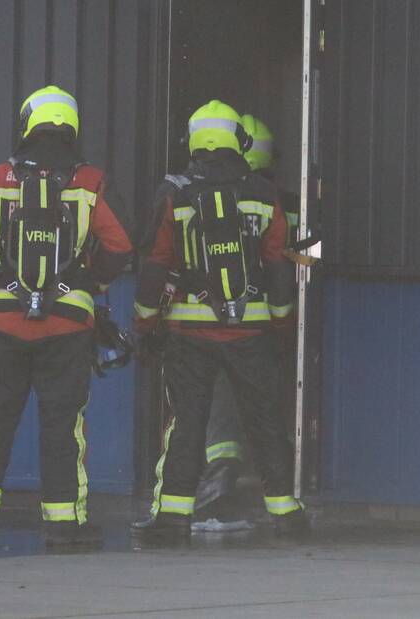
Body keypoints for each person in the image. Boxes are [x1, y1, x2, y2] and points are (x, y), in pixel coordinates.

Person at [0, 85, 133, 551]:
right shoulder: (90, 181)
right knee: (62, 422)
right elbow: (121, 246)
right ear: (72, 126)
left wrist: (1, 273)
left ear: (27, 121)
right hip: (68, 320)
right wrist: (91, 283)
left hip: (4, 320)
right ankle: (63, 524)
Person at [132, 100, 307, 540]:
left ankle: (173, 517)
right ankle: (286, 514)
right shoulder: (265, 197)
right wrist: (283, 325)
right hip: (251, 332)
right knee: (265, 420)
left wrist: (146, 324)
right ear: (237, 141)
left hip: (189, 334)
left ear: (192, 142)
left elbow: (154, 262)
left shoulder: (175, 193)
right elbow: (282, 268)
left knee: (188, 424)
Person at [193, 113, 299, 528]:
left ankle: (217, 489)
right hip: (268, 324)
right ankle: (283, 498)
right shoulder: (285, 202)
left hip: (210, 322)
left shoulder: (200, 196)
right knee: (266, 407)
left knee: (220, 408)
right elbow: (310, 255)